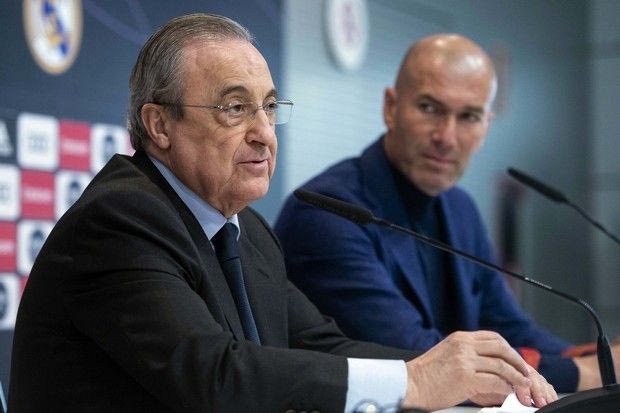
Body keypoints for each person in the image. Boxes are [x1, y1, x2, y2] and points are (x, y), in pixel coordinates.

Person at [9, 16, 555, 412]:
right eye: (234, 108)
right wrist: (414, 382)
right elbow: (215, 375)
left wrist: (455, 372)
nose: (264, 134)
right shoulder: (121, 220)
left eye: (269, 108)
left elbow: (320, 344)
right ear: (160, 125)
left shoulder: (246, 231)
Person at [275, 34, 619, 394]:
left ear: (486, 125)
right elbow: (418, 357)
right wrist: (585, 373)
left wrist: (600, 356)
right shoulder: (327, 211)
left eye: (469, 116)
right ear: (391, 108)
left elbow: (509, 326)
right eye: (429, 108)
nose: (447, 137)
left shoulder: (460, 207)